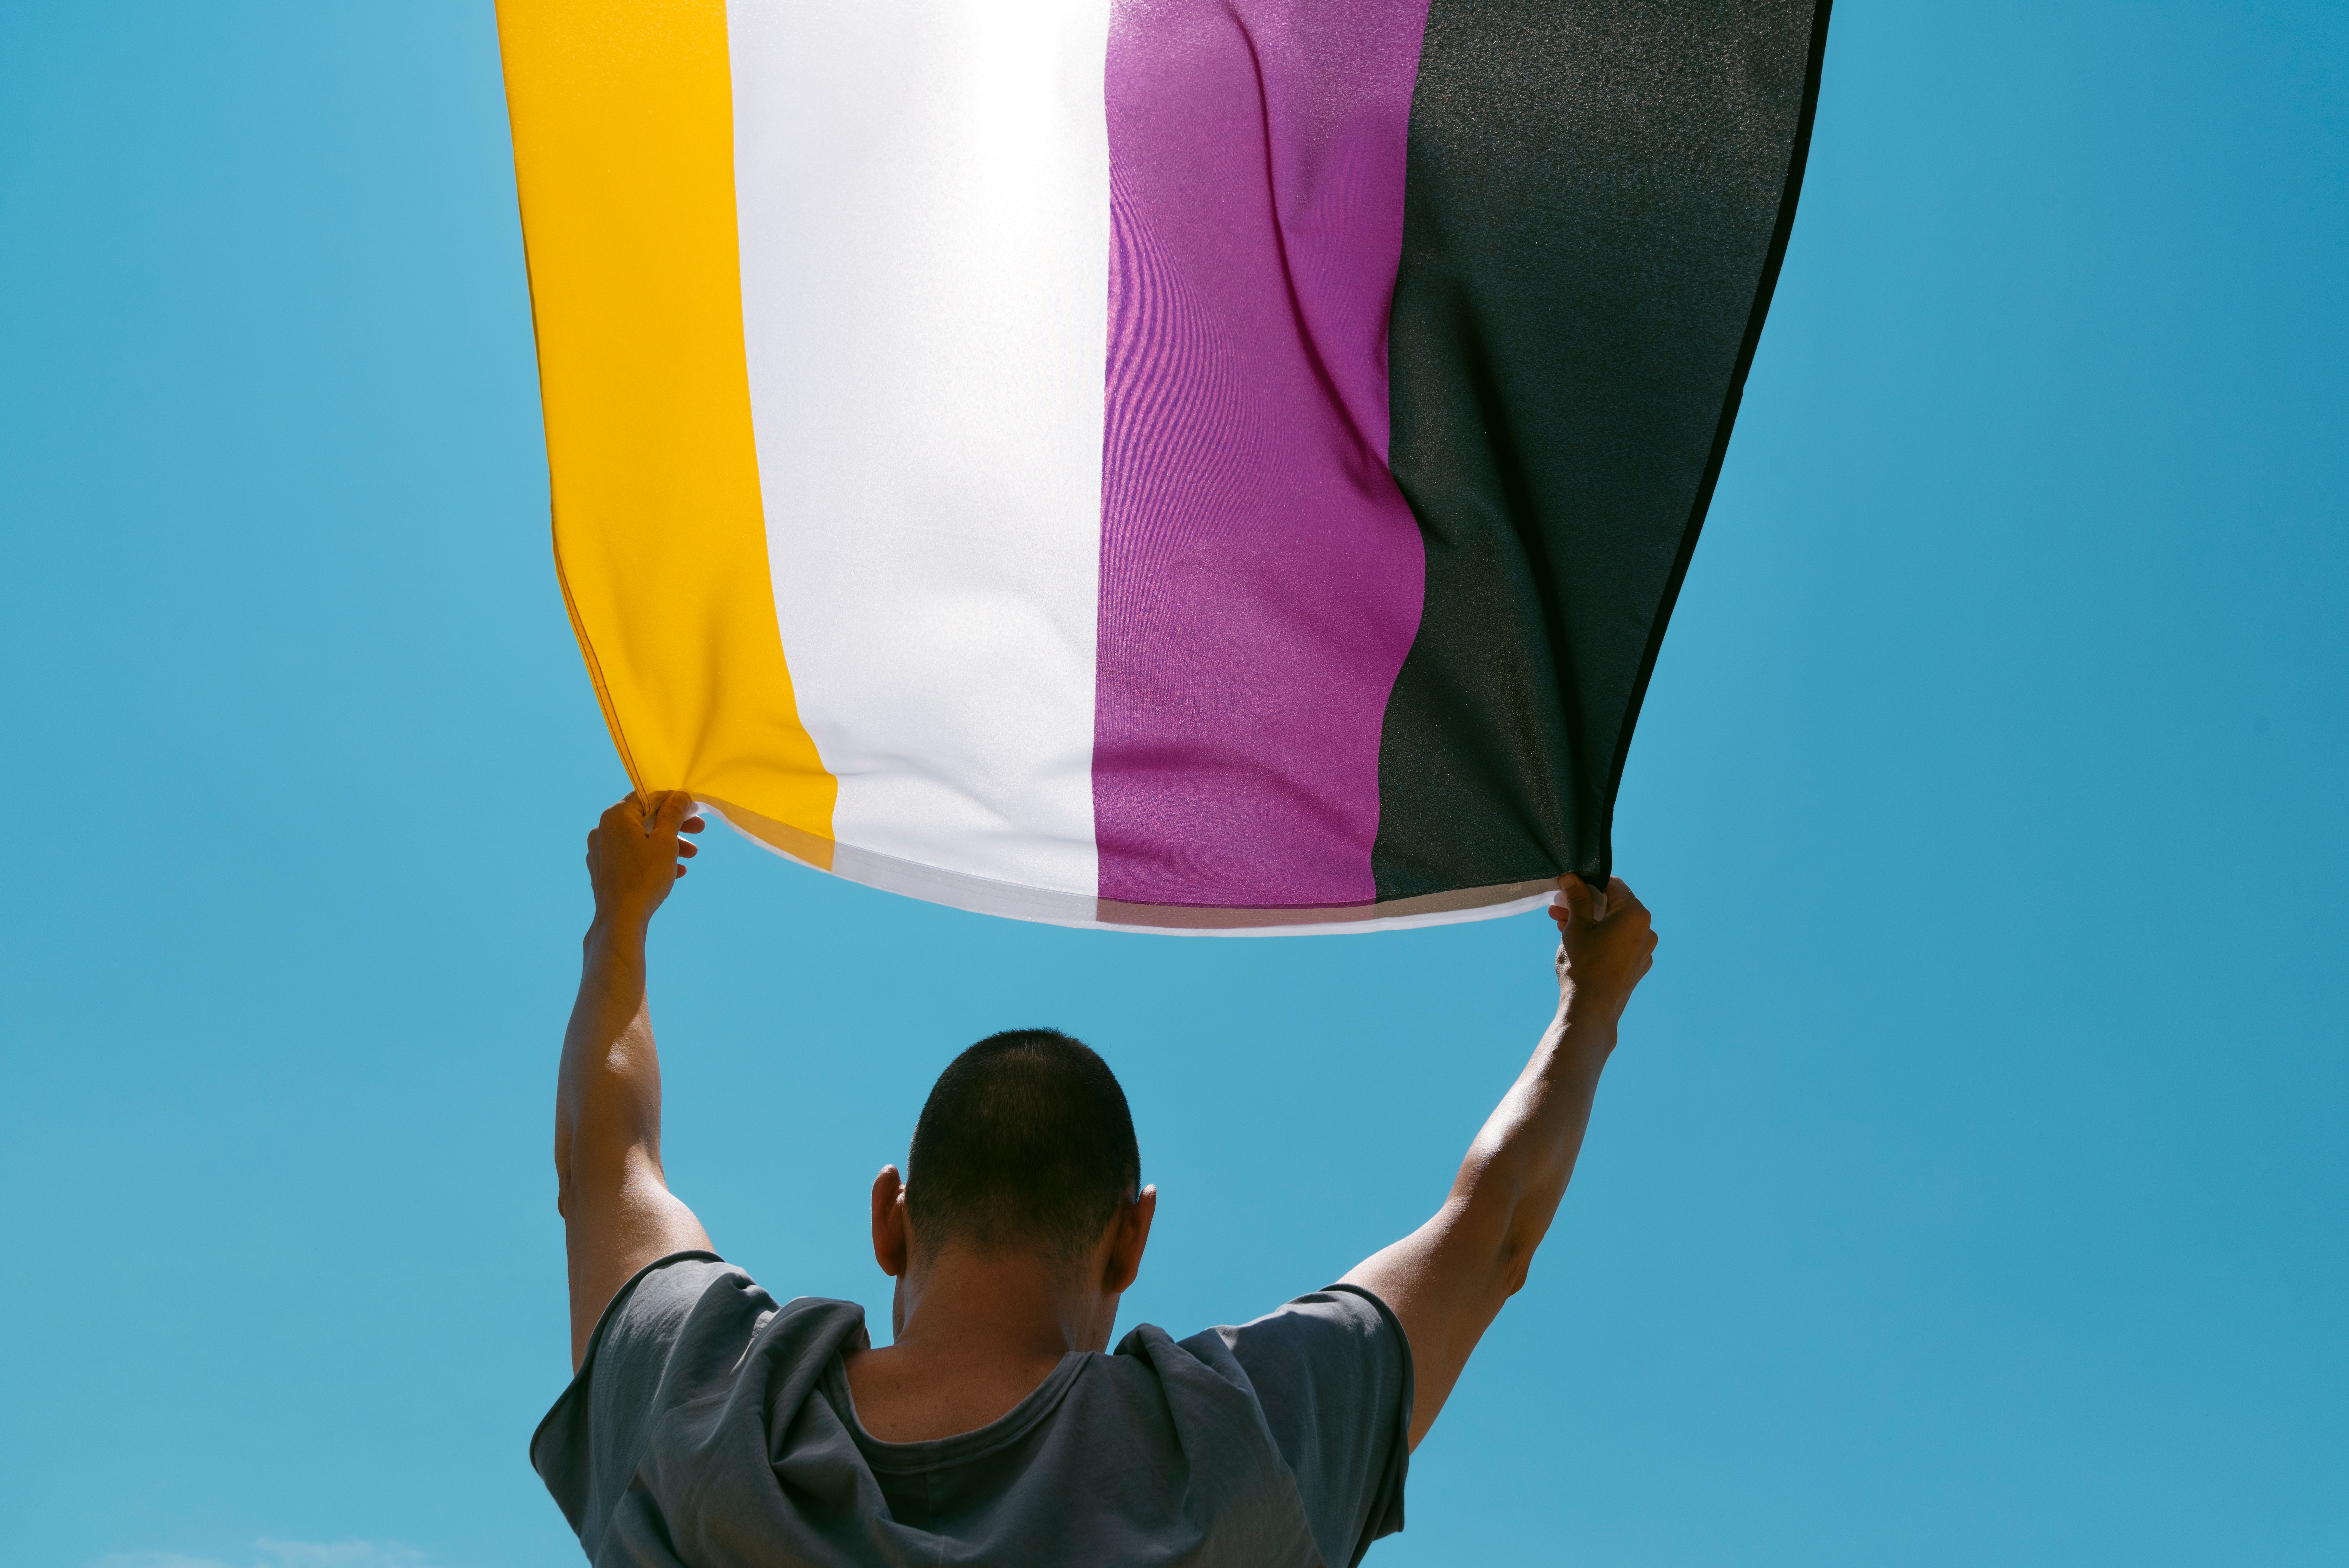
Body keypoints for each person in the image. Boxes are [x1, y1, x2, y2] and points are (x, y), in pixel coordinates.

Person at [536, 792, 1657, 1567]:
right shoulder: (1230, 1453)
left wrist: (618, 917)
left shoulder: (708, 1405)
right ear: (1131, 1240)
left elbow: (607, 1164)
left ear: (892, 1220)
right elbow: (1490, 1231)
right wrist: (1589, 1004)